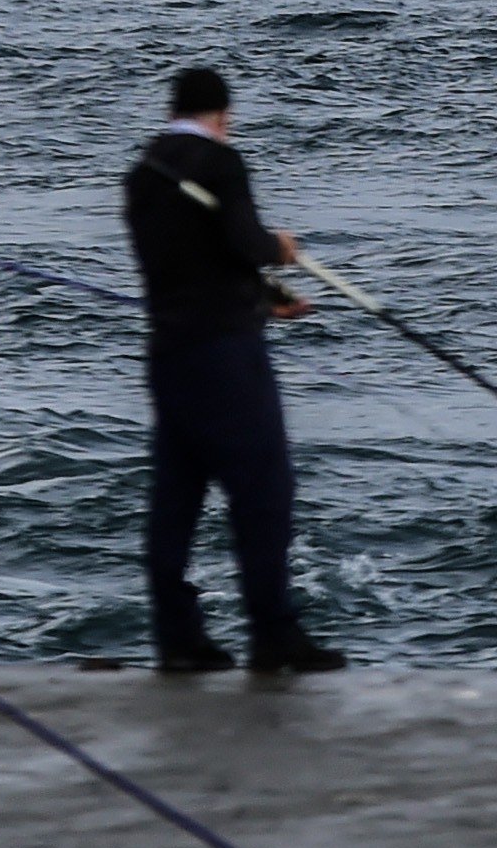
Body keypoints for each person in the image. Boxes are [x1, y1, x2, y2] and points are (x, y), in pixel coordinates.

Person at [123, 68, 344, 677]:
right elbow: (243, 240)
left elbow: (197, 262)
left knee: (176, 499)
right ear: (222, 116)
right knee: (263, 492)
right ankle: (273, 635)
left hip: (170, 355)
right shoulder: (221, 163)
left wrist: (265, 297)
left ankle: (177, 637)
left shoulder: (143, 176)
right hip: (226, 357)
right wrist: (281, 251)